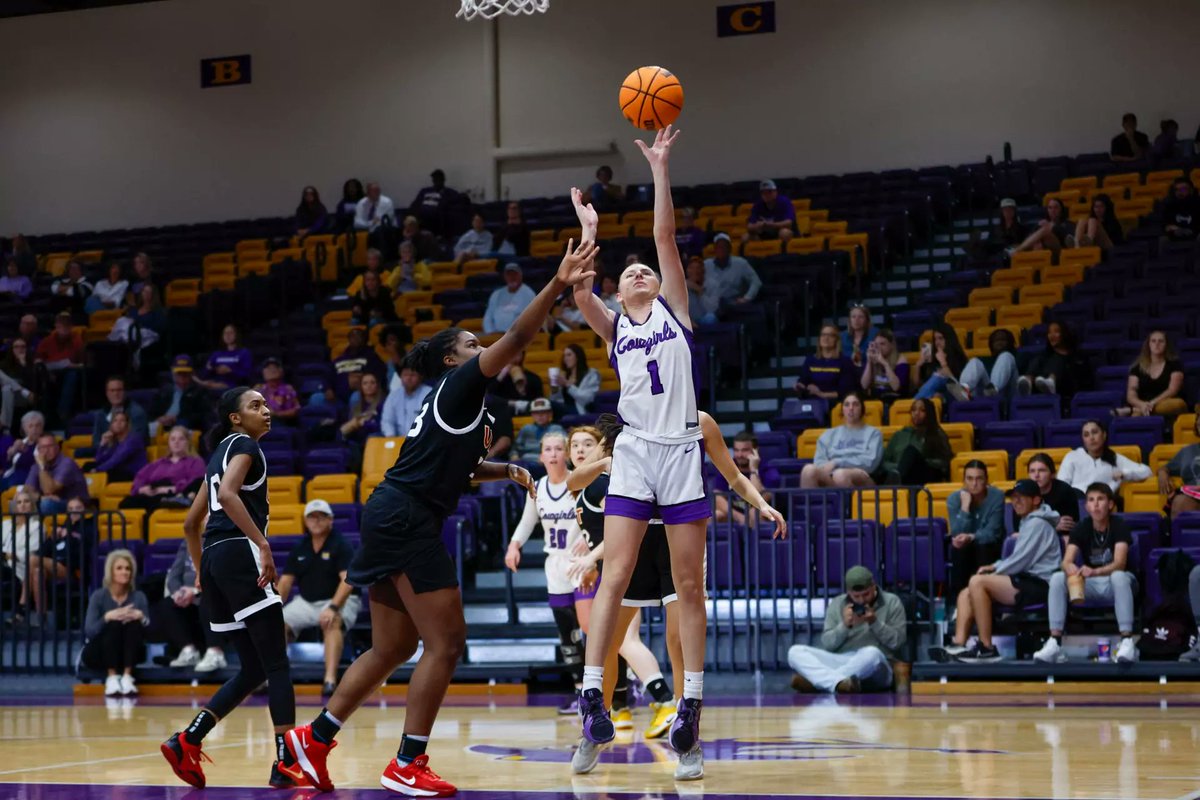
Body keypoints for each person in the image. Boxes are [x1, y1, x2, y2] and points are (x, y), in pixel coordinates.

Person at [284, 240, 596, 795]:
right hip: (407, 517)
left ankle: (313, 740)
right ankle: (407, 761)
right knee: (448, 642)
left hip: (391, 511)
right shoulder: (459, 384)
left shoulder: (458, 409)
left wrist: (506, 470)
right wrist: (556, 284)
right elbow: (521, 337)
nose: (483, 348)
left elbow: (459, 467)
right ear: (454, 359)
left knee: (392, 648)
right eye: (472, 344)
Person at [566, 126, 710, 780]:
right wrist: (589, 231)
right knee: (614, 578)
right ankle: (593, 697)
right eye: (627, 274)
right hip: (633, 454)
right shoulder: (615, 325)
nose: (640, 272)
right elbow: (577, 293)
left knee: (687, 586)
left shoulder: (674, 311)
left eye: (643, 271)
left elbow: (664, 239)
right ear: (620, 295)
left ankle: (691, 713)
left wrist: (658, 166)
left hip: (680, 453)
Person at [568, 412, 784, 742]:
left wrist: (760, 505)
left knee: (678, 640)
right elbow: (572, 483)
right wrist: (605, 462)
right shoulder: (631, 422)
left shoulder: (700, 421)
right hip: (636, 540)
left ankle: (686, 724)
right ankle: (597, 723)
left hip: (678, 536)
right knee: (612, 642)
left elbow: (734, 476)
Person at [161, 387, 305, 790]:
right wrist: (261, 543)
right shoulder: (245, 446)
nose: (268, 409)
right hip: (240, 554)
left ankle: (188, 739)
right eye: (256, 405)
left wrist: (202, 572)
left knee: (255, 668)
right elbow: (227, 496)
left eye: (265, 403)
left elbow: (192, 524)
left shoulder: (215, 458)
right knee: (277, 664)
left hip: (214, 557)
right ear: (235, 418)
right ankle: (286, 762)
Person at [505, 432, 589, 711]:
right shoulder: (537, 488)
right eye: (548, 449)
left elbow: (595, 515)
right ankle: (581, 692)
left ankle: (618, 683)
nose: (553, 454)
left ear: (565, 454)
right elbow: (528, 521)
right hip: (555, 566)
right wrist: (514, 545)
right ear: (540, 457)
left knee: (590, 629)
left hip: (582, 564)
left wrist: (587, 538)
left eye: (558, 449)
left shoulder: (579, 482)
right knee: (568, 635)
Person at [948, 480, 1062, 663]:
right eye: (1014, 498)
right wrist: (995, 566)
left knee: (977, 582)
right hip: (1026, 580)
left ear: (1036, 500)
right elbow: (1019, 556)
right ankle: (958, 645)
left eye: (1021, 498)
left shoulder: (1037, 524)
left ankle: (986, 648)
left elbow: (1021, 560)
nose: (1016, 502)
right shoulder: (1028, 521)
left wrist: (994, 571)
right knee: (965, 592)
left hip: (1040, 585)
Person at [1035, 482, 1138, 665]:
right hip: (1092, 583)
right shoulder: (1081, 527)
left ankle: (1127, 640)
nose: (1096, 504)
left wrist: (1095, 571)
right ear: (1086, 506)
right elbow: (1066, 561)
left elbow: (1120, 564)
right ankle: (1055, 642)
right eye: (1091, 500)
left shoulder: (1119, 525)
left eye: (1100, 499)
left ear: (1110, 504)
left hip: (1119, 584)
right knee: (1058, 577)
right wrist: (1070, 568)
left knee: (1118, 576)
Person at [278, 500, 360, 696]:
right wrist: (273, 608)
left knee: (331, 622)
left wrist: (333, 607)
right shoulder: (300, 547)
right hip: (307, 601)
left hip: (340, 599)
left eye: (322, 516)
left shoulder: (341, 544)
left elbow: (347, 581)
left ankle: (330, 679)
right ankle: (272, 677)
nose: (316, 520)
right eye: (312, 516)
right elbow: (285, 583)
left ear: (331, 520)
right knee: (276, 622)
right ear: (305, 521)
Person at [788, 566, 906, 693]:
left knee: (872, 653)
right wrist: (844, 626)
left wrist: (874, 622)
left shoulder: (892, 602)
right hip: (843, 660)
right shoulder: (837, 604)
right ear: (848, 592)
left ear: (873, 586)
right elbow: (828, 645)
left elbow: (897, 642)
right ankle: (837, 683)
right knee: (795, 652)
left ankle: (820, 683)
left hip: (877, 665)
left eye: (866, 594)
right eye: (856, 596)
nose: (861, 600)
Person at [150, 539, 227, 673]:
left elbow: (223, 577)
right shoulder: (188, 543)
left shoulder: (226, 541)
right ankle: (189, 651)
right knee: (167, 604)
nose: (208, 518)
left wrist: (195, 591)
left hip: (220, 602)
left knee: (209, 599)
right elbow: (173, 576)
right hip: (190, 602)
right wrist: (178, 593)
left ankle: (216, 652)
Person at [82, 549, 149, 696]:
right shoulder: (98, 596)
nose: (124, 572)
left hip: (130, 651)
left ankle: (127, 677)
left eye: (128, 568)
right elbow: (90, 631)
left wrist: (141, 617)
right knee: (113, 624)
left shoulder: (138, 597)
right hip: (100, 651)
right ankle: (111, 677)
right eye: (119, 568)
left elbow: (150, 631)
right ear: (110, 572)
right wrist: (107, 617)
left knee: (133, 624)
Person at [27, 495, 91, 627]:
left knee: (33, 560)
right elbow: (42, 551)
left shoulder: (89, 527)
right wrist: (52, 539)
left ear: (84, 509)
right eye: (71, 508)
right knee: (38, 571)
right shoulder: (62, 527)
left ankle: (22, 605)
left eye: (78, 508)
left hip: (73, 569)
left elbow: (83, 552)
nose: (74, 511)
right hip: (54, 566)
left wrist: (69, 536)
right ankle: (41, 617)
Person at [946, 460, 1005, 597]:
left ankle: (986, 598)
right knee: (959, 548)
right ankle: (959, 601)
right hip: (965, 549)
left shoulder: (997, 496)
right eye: (970, 479)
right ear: (964, 481)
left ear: (986, 480)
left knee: (982, 546)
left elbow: (993, 532)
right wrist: (965, 508)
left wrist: (972, 537)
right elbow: (957, 533)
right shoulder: (954, 499)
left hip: (989, 546)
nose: (974, 484)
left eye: (979, 478)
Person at [800, 392, 883, 489]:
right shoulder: (828, 435)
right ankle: (813, 504)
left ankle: (847, 503)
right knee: (808, 470)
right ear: (842, 410)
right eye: (847, 405)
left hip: (862, 475)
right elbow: (819, 463)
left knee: (841, 475)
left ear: (862, 409)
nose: (851, 408)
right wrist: (831, 470)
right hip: (832, 476)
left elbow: (870, 463)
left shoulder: (874, 433)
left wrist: (838, 462)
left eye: (855, 404)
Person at [121, 425, 205, 512]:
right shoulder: (158, 463)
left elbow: (196, 483)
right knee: (126, 503)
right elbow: (140, 477)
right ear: (168, 443)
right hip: (152, 492)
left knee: (154, 505)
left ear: (188, 442)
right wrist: (141, 489)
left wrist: (172, 489)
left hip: (175, 494)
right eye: (173, 439)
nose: (176, 442)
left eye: (181, 439)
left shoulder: (195, 462)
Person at [1058, 420, 1152, 496]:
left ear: (1104, 435)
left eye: (1094, 432)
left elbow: (1147, 471)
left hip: (1102, 505)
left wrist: (1125, 473)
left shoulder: (1115, 459)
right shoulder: (1072, 456)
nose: (1091, 438)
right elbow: (1061, 486)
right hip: (1077, 502)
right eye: (1086, 435)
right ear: (1083, 440)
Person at [711, 431, 780, 526]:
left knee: (754, 513)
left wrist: (753, 469)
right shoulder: (728, 468)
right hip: (735, 515)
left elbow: (760, 498)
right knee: (716, 515)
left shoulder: (768, 470)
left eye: (744, 450)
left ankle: (756, 540)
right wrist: (739, 517)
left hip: (760, 513)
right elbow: (717, 497)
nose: (739, 455)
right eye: (736, 450)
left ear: (755, 450)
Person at [877, 397, 952, 485]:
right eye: (914, 410)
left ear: (929, 413)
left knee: (911, 451)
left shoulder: (936, 433)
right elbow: (885, 461)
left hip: (923, 475)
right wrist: (901, 466)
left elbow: (944, 462)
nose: (916, 413)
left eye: (922, 410)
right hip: (898, 474)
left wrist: (922, 462)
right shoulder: (899, 434)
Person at [1116, 330, 1187, 421]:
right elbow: (1131, 394)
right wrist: (1141, 404)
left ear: (1166, 345)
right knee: (1135, 417)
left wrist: (1152, 403)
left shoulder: (1175, 364)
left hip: (1166, 402)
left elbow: (1172, 390)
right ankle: (1139, 410)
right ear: (1148, 345)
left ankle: (1133, 410)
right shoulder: (1137, 367)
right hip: (1143, 404)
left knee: (1178, 404)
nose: (1157, 344)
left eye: (1161, 341)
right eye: (1153, 341)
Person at [1017, 320, 1089, 398]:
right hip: (1043, 390)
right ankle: (1028, 381)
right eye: (1049, 332)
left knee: (1057, 360)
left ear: (1065, 334)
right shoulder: (1045, 356)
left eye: (1056, 332)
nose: (1052, 335)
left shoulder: (1078, 356)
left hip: (1067, 388)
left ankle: (1051, 381)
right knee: (1036, 359)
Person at [35, 312, 84, 424]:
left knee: (72, 375)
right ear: (56, 326)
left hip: (71, 372)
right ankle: (45, 416)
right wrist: (47, 371)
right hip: (49, 373)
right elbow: (38, 361)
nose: (64, 329)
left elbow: (83, 363)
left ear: (71, 327)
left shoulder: (77, 340)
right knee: (42, 376)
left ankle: (63, 412)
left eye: (67, 326)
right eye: (61, 325)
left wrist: (73, 365)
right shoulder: (47, 341)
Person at [2, 488, 42, 617]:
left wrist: (6, 555)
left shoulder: (36, 526)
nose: (22, 505)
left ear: (32, 505)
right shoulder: (6, 524)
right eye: (19, 502)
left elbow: (29, 554)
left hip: (19, 568)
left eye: (26, 501)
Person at [25, 434, 89, 514]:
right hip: (51, 502)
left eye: (50, 446)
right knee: (17, 502)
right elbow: (27, 490)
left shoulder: (67, 463)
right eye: (43, 447)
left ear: (57, 447)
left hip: (75, 505)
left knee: (47, 504)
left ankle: (48, 526)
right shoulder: (36, 466)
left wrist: (42, 466)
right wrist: (40, 498)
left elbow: (49, 490)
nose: (46, 450)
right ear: (38, 450)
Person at [794, 324, 859, 401]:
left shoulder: (845, 362)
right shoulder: (810, 360)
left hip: (836, 404)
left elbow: (845, 392)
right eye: (823, 335)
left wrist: (821, 394)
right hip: (813, 404)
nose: (826, 338)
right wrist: (799, 385)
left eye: (830, 335)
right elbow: (803, 380)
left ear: (836, 340)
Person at [958, 328, 1020, 400]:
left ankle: (994, 388)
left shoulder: (1018, 356)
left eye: (1003, 340)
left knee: (1006, 356)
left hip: (1011, 394)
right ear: (991, 344)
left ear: (1010, 342)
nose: (999, 343)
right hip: (987, 393)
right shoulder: (984, 360)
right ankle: (964, 389)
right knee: (974, 361)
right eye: (996, 340)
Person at [87, 410, 147, 482]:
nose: (118, 423)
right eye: (115, 421)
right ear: (111, 425)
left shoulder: (133, 439)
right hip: (119, 470)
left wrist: (98, 469)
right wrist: (102, 445)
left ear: (127, 425)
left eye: (122, 420)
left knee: (107, 473)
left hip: (133, 474)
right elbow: (99, 460)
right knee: (88, 465)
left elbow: (117, 459)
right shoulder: (116, 442)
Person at [1025, 453, 1080, 532]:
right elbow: (1020, 528)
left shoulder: (1065, 492)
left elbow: (1068, 526)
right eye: (1032, 471)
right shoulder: (1023, 493)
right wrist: (1052, 526)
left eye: (1041, 470)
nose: (1036, 475)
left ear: (1052, 474)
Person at [90, 376, 150, 449]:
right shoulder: (101, 414)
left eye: (119, 390)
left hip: (129, 454)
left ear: (125, 392)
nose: (116, 394)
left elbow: (137, 442)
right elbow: (96, 442)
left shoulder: (137, 412)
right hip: (106, 453)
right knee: (79, 453)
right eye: (112, 390)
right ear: (107, 393)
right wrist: (102, 444)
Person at [152, 355, 209, 432]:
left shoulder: (199, 392)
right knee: (150, 428)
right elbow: (152, 411)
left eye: (185, 374)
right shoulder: (165, 390)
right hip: (162, 423)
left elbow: (201, 416)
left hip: (185, 426)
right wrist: (159, 418)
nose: (182, 378)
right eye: (179, 374)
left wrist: (176, 419)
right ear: (173, 373)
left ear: (192, 374)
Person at [913, 325, 969, 401]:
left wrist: (943, 363)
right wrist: (917, 366)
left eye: (940, 338)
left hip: (952, 394)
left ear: (948, 339)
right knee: (935, 392)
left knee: (938, 377)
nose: (937, 342)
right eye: (935, 339)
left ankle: (913, 405)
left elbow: (956, 385)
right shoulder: (931, 356)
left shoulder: (958, 357)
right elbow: (917, 385)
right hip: (931, 395)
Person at [703, 233, 762, 305]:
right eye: (718, 247)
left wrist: (747, 298)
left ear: (730, 249)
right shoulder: (706, 264)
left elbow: (756, 282)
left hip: (733, 303)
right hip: (711, 303)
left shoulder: (741, 263)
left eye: (724, 246)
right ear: (714, 249)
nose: (721, 249)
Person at [1160, 415, 1200, 519]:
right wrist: (1162, 473)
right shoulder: (1187, 451)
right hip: (1193, 495)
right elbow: (1166, 468)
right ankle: (1177, 534)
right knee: (1179, 503)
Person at [483, 263, 537, 333]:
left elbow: (532, 318)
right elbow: (488, 317)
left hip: (518, 336)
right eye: (509, 274)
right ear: (505, 277)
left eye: (515, 274)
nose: (512, 277)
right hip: (496, 336)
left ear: (520, 275)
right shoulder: (496, 294)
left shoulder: (529, 294)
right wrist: (490, 332)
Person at [197, 324, 254, 391]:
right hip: (214, 383)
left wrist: (230, 370)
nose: (227, 335)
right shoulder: (217, 354)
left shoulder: (244, 353)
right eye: (225, 333)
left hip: (233, 386)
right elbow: (205, 372)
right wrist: (211, 369)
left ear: (237, 335)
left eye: (230, 333)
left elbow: (247, 374)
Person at [550, 344, 601, 417]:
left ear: (578, 357)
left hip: (579, 410)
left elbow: (587, 399)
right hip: (563, 409)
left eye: (569, 355)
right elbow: (555, 399)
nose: (565, 359)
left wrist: (568, 385)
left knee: (548, 405)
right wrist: (555, 386)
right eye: (564, 356)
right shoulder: (565, 375)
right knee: (545, 404)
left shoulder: (591, 374)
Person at [381, 364, 430, 437]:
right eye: (406, 374)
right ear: (400, 377)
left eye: (413, 375)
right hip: (398, 441)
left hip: (421, 441)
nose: (409, 378)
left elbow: (430, 423)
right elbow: (387, 420)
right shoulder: (394, 395)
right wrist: (391, 436)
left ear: (420, 377)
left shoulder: (429, 393)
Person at [860, 328, 909, 401]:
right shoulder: (873, 359)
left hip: (894, 399)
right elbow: (864, 385)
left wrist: (885, 364)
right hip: (875, 400)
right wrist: (869, 362)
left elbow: (896, 387)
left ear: (892, 345)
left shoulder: (901, 360)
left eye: (882, 344)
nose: (879, 347)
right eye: (876, 344)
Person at [409, 169, 460, 236]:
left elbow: (451, 207)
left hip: (436, 219)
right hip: (421, 217)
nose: (435, 181)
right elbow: (415, 204)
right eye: (434, 179)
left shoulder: (448, 193)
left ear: (443, 180)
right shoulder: (425, 191)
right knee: (410, 219)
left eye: (438, 179)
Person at [3, 410, 44, 489]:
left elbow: (41, 465)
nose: (34, 429)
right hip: (11, 477)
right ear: (25, 429)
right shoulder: (20, 443)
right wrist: (12, 452)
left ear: (42, 428)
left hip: (29, 480)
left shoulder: (45, 444)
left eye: (37, 425)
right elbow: (8, 465)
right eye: (30, 426)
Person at [340, 372, 383, 446]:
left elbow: (381, 426)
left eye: (372, 383)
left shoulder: (383, 403)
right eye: (365, 383)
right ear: (361, 386)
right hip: (358, 437)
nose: (369, 386)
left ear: (377, 385)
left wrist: (364, 423)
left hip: (375, 437)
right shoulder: (357, 403)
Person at [255, 357, 300, 424]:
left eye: (275, 367)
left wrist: (277, 414)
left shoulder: (288, 389)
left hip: (284, 423)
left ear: (281, 371)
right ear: (264, 372)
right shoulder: (259, 389)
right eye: (269, 368)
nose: (272, 370)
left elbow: (296, 409)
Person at [684, 254, 720, 326]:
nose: (695, 271)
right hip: (688, 321)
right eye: (691, 268)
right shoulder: (682, 285)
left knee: (711, 318)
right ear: (687, 271)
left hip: (705, 320)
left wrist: (700, 291)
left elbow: (712, 309)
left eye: (698, 268)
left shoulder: (712, 284)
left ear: (703, 270)